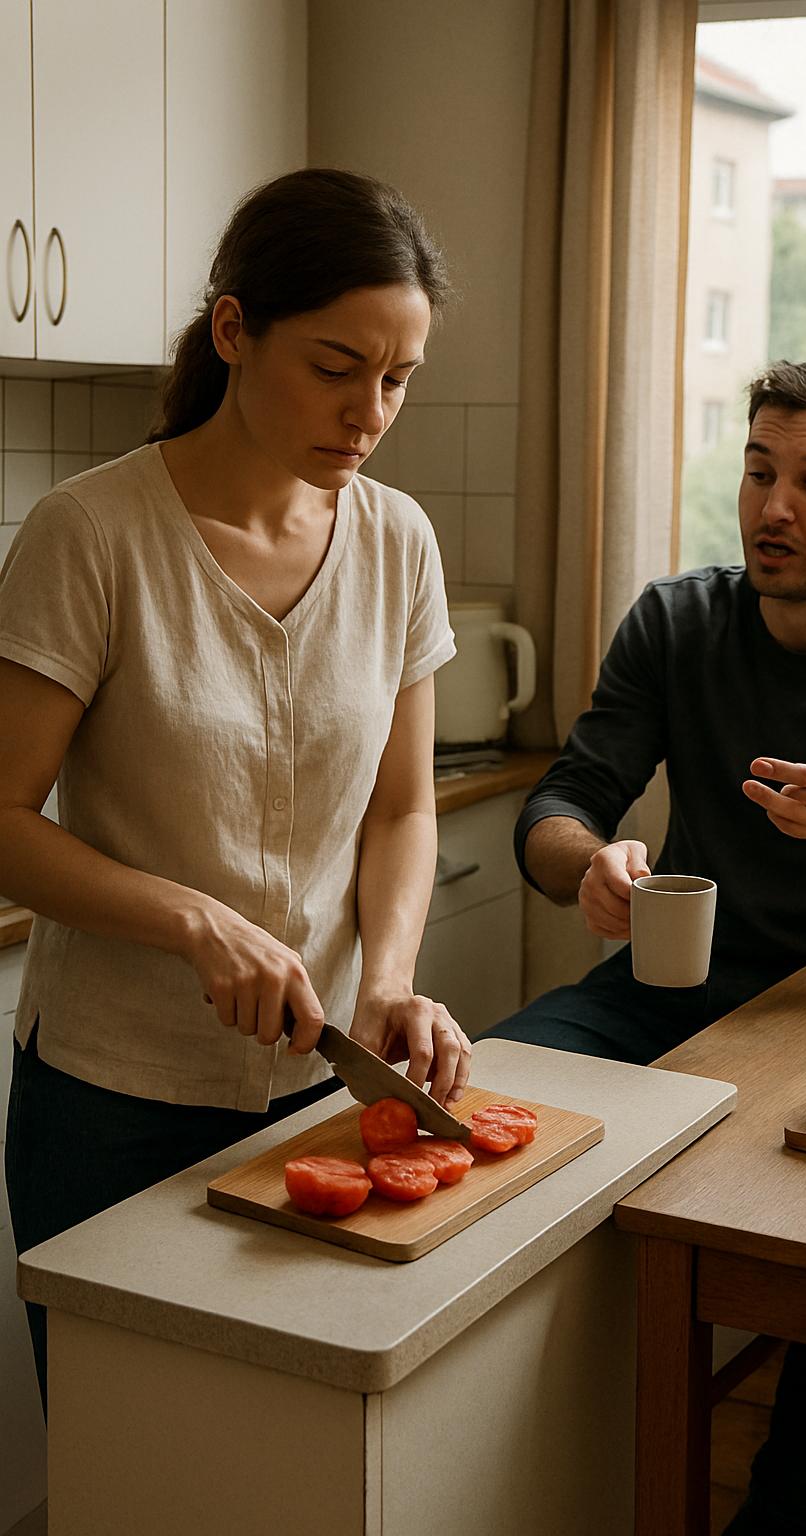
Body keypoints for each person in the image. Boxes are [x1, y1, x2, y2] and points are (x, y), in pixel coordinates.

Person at [484, 360, 806, 1534]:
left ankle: (790, 1495)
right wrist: (592, 865)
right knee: (487, 1109)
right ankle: (532, 1457)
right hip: (671, 992)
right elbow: (560, 802)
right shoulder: (677, 621)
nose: (773, 507)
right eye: (759, 472)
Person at [1, 168, 473, 1410]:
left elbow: (401, 807)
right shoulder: (89, 534)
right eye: (335, 366)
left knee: (282, 1453)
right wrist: (196, 921)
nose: (369, 411)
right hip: (109, 1100)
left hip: (312, 1093)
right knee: (131, 1457)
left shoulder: (397, 541)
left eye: (398, 378)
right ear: (231, 332)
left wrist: (386, 977)